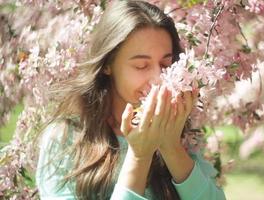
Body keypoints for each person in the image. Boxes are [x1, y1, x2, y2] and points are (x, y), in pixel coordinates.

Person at [36, 0, 226, 199]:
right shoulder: (65, 138)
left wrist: (171, 146)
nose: (158, 78)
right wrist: (139, 156)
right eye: (141, 66)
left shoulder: (180, 132)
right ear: (108, 64)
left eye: (165, 64)